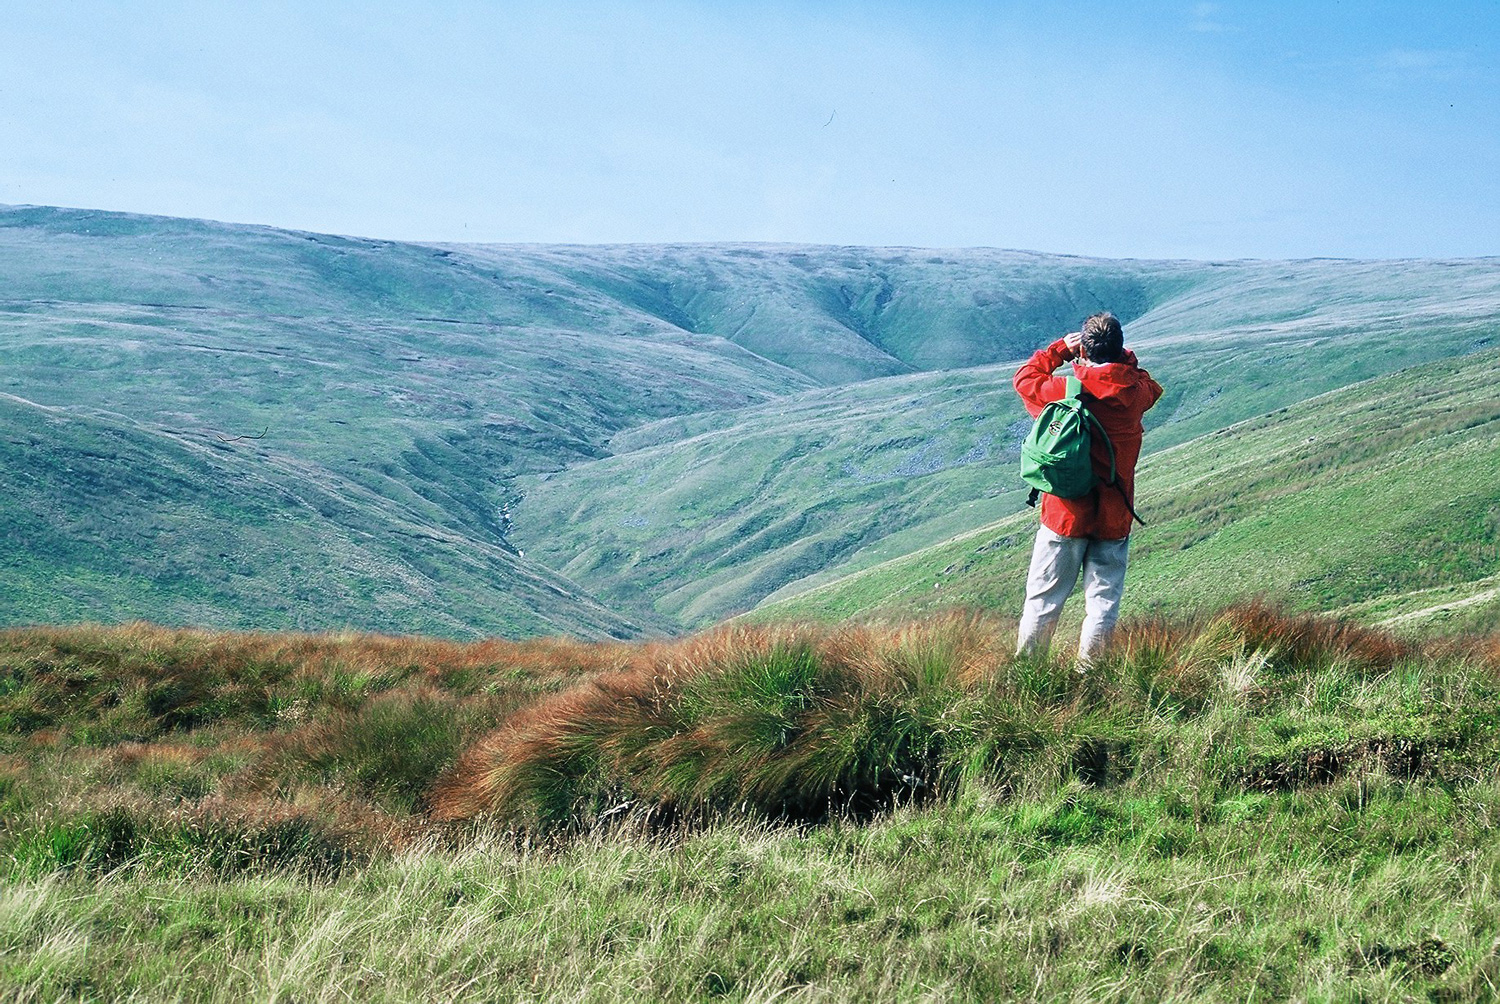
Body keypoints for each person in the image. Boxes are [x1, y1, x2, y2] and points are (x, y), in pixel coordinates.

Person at [1012, 312, 1162, 661]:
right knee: (1103, 604)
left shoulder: (1063, 392)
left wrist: (1060, 351)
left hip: (1064, 515)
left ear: (1085, 349)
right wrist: (1122, 359)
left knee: (1043, 601)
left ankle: (1028, 673)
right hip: (1114, 515)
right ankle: (1091, 673)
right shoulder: (1135, 394)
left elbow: (1024, 379)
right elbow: (1147, 383)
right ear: (1120, 347)